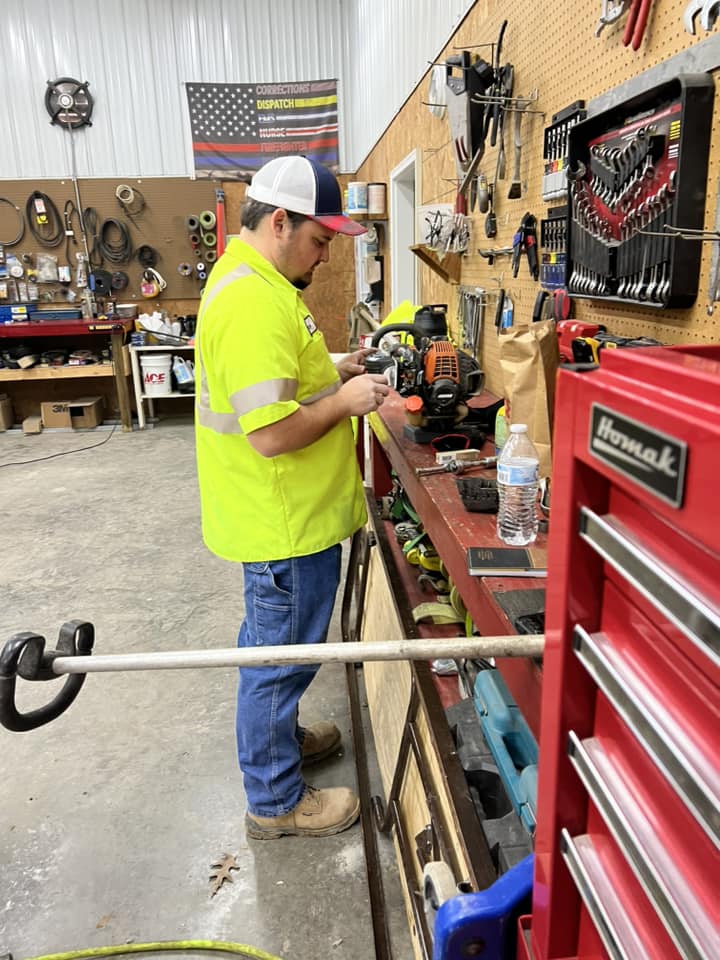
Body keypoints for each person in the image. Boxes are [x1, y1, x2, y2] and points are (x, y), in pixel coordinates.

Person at [194, 155, 391, 840]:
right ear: (280, 221)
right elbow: (272, 436)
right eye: (320, 240)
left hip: (286, 517)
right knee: (276, 660)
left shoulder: (261, 282)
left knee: (284, 653)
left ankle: (280, 742)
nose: (324, 256)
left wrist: (331, 367)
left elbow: (275, 382)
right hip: (280, 521)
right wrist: (345, 401)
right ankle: (275, 803)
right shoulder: (252, 300)